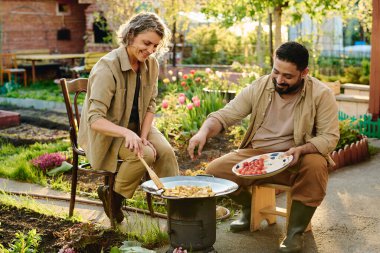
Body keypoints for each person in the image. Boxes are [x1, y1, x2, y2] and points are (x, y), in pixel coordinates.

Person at [187, 42, 339, 253]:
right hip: (258, 155)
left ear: (304, 73)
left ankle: (295, 233)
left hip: (295, 158)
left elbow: (329, 137)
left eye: (287, 76)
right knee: (214, 172)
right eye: (275, 71)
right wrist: (203, 132)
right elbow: (224, 115)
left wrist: (301, 150)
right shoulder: (260, 86)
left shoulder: (321, 94)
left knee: (316, 165)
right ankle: (249, 209)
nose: (279, 80)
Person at [78, 12, 179, 224]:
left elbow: (151, 104)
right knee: (146, 154)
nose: (151, 50)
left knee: (167, 152)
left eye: (155, 46)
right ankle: (114, 198)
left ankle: (178, 208)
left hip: (138, 126)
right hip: (108, 130)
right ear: (131, 35)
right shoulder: (107, 67)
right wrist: (127, 133)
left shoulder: (151, 65)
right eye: (147, 43)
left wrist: (142, 136)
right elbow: (95, 120)